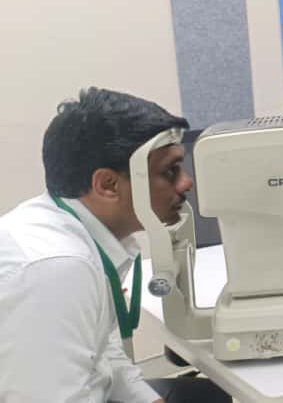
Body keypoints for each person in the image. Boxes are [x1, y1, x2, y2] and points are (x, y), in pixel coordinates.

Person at [0, 88, 230, 402]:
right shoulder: (56, 270)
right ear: (108, 185)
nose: (186, 182)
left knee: (208, 394)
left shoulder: (79, 232)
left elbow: (100, 351)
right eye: (170, 171)